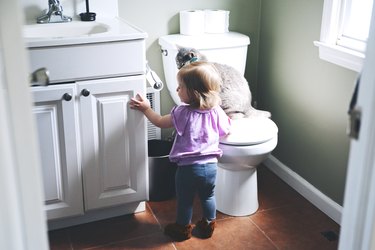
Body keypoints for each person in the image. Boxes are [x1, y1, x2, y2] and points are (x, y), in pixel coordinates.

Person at [129, 61, 231, 241]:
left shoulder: (182, 112)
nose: (177, 90)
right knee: (208, 196)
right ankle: (208, 224)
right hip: (211, 166)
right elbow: (226, 131)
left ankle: (182, 228)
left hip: (188, 169)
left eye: (180, 87)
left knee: (185, 200)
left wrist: (146, 108)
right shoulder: (216, 111)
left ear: (193, 92)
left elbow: (160, 121)